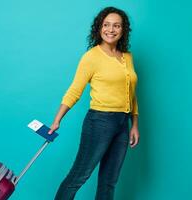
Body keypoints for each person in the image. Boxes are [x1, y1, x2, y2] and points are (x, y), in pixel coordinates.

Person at [48, 6, 140, 200]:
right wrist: (57, 119)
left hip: (123, 125)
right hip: (99, 122)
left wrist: (134, 125)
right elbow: (75, 90)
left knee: (109, 181)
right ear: (99, 27)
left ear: (123, 30)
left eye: (116, 26)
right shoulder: (92, 57)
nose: (111, 29)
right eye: (106, 25)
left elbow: (131, 94)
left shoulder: (128, 57)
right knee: (78, 176)